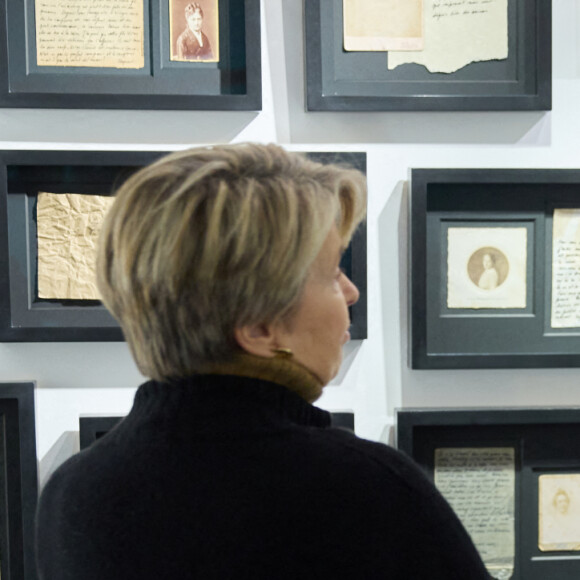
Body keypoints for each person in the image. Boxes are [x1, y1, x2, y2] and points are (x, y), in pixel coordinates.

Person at [35, 144, 490, 579]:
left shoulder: (72, 491)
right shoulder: (361, 487)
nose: (350, 292)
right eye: (333, 273)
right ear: (257, 327)